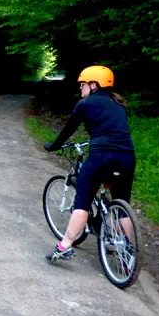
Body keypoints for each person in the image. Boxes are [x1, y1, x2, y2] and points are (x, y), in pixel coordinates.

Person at [43, 65, 136, 261]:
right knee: (122, 204)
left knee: (82, 202)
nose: (81, 88)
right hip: (127, 156)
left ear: (94, 85)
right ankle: (127, 252)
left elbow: (68, 130)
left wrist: (53, 146)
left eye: (83, 84)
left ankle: (65, 246)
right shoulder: (118, 103)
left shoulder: (84, 104)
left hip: (101, 156)